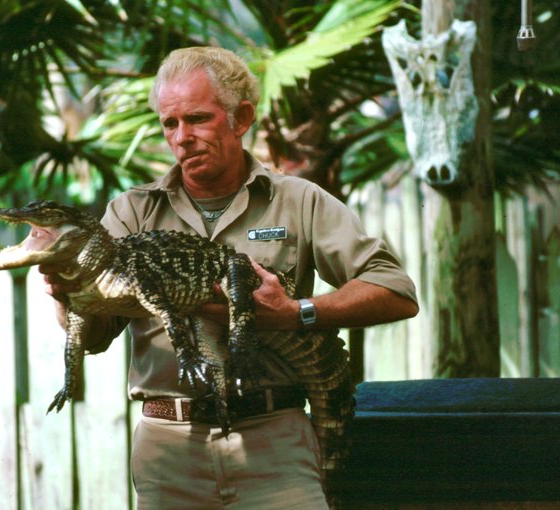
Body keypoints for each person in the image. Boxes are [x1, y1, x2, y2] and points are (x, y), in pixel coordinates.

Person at [42, 46, 418, 509]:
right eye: (170, 124)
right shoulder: (132, 212)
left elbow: (395, 291)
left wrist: (295, 312)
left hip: (274, 442)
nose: (182, 137)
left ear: (241, 119)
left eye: (197, 119)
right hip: (169, 449)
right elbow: (96, 335)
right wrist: (65, 293)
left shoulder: (298, 200)